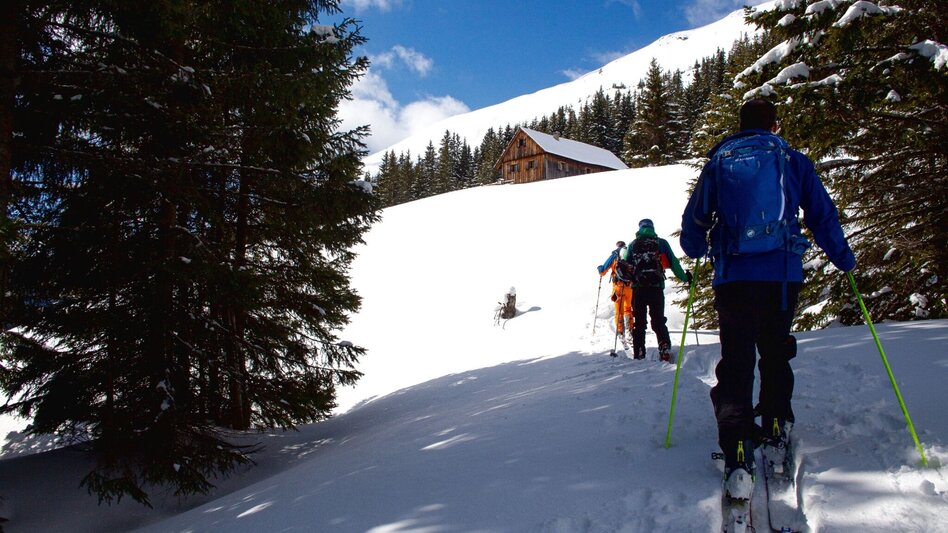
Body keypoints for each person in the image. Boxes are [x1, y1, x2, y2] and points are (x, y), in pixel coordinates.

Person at [679, 98, 855, 500]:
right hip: (780, 276)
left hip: (733, 279)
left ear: (740, 126)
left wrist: (697, 249)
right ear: (773, 125)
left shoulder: (719, 162)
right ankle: (776, 426)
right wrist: (843, 259)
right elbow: (822, 216)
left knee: (737, 358)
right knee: (775, 351)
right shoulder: (792, 160)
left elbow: (694, 223)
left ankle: (738, 446)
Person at [627, 219, 689, 362]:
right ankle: (664, 346)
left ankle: (639, 352)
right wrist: (685, 278)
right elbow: (674, 262)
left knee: (640, 323)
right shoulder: (661, 243)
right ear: (652, 228)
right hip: (656, 289)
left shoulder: (633, 245)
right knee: (658, 321)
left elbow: (626, 267)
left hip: (639, 290)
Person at [597, 240, 633, 344]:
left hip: (618, 287)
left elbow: (603, 271)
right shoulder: (629, 254)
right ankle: (630, 331)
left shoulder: (614, 255)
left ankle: (620, 332)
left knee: (619, 310)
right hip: (629, 287)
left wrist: (600, 268)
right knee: (628, 309)